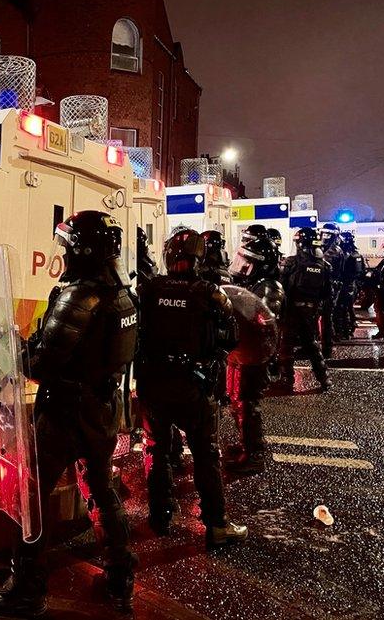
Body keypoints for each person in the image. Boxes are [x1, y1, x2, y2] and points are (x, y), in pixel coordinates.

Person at [0, 211, 138, 617]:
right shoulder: (122, 294)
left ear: (81, 251)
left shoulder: (78, 297)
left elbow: (42, 362)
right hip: (102, 410)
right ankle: (121, 578)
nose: (62, 254)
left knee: (29, 496)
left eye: (66, 246)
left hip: (66, 413)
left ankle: (26, 589)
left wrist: (11, 348)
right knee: (103, 490)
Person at [137, 228, 247, 548]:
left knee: (156, 453)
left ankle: (159, 519)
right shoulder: (209, 292)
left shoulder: (149, 289)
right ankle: (216, 524)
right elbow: (232, 336)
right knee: (204, 455)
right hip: (193, 388)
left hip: (155, 386)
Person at [225, 229, 285, 474]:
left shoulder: (270, 288)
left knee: (248, 404)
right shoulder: (256, 283)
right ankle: (246, 446)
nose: (243, 266)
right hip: (245, 354)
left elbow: (264, 323)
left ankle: (255, 454)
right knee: (239, 402)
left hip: (255, 357)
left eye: (248, 262)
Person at [278, 228, 333, 391]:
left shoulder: (291, 262)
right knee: (312, 345)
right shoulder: (325, 265)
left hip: (292, 310)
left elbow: (282, 287)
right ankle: (324, 379)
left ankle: (287, 379)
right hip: (310, 311)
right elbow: (327, 292)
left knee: (286, 345)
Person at [332, 231, 366, 341]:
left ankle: (344, 332)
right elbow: (362, 272)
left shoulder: (345, 254)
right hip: (353, 285)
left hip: (345, 284)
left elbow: (341, 271)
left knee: (341, 309)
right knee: (349, 308)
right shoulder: (357, 254)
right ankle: (350, 327)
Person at [319, 223, 342, 357]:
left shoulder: (336, 251)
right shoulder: (319, 248)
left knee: (326, 318)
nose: (325, 236)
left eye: (329, 234)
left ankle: (327, 348)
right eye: (324, 233)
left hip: (330, 286)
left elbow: (339, 271)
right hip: (319, 286)